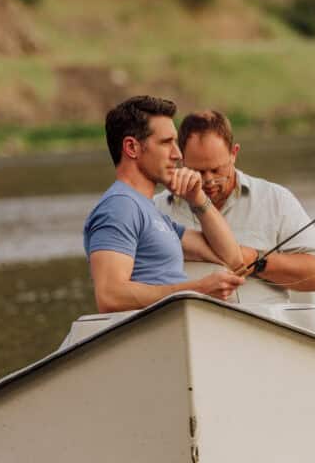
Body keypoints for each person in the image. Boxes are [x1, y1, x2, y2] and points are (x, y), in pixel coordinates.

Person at [84, 95, 245, 313]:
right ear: (132, 147)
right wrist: (198, 290)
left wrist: (197, 198)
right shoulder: (119, 207)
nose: (177, 154)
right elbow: (110, 296)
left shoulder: (152, 213)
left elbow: (231, 258)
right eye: (166, 142)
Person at [155, 110, 315, 302]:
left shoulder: (275, 199)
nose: (209, 181)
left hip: (261, 317)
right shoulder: (155, 209)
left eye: (216, 170)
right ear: (181, 159)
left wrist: (258, 261)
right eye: (198, 171)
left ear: (234, 154)